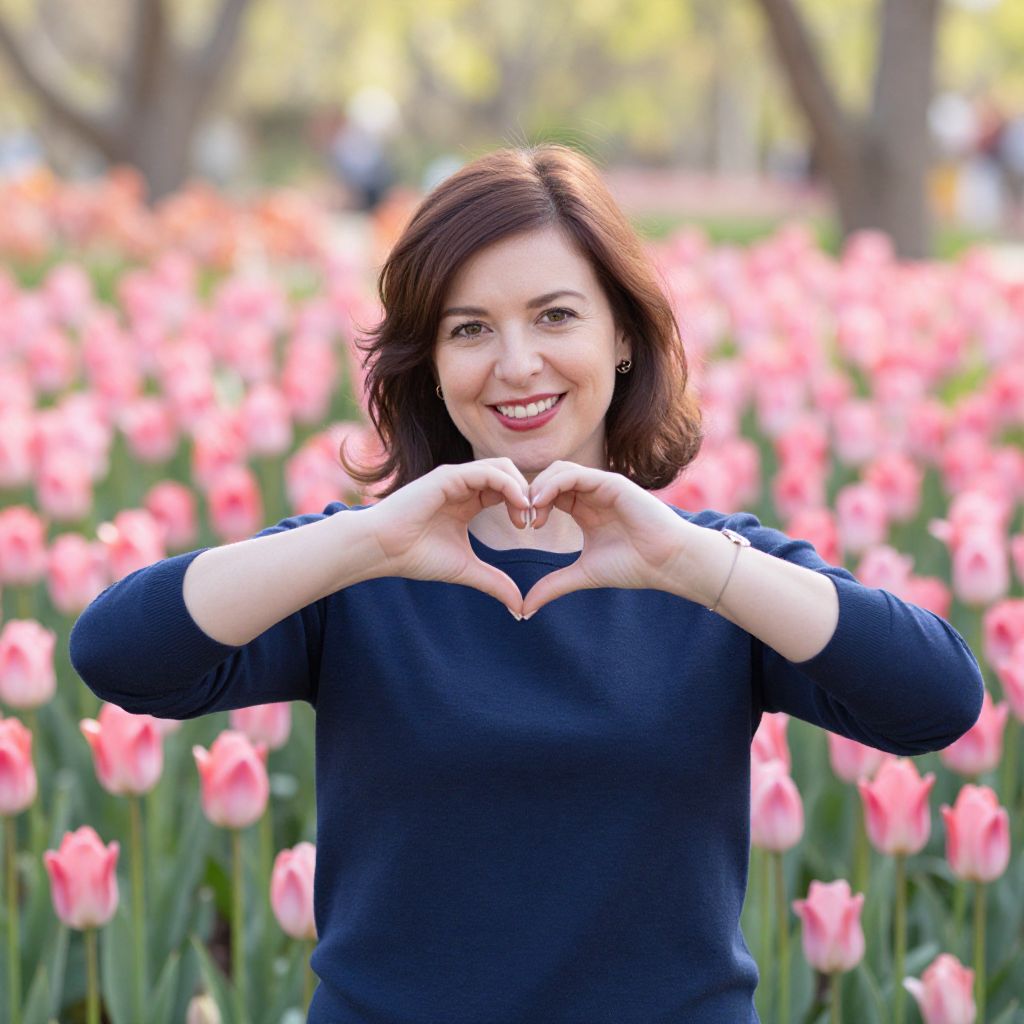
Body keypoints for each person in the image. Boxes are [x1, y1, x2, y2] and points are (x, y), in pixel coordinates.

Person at [69, 144, 984, 1023]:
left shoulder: (711, 574)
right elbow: (120, 656)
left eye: (555, 316)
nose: (515, 365)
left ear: (623, 335)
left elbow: (935, 701)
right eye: (470, 329)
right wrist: (365, 539)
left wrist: (692, 565)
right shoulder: (366, 566)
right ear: (429, 364)